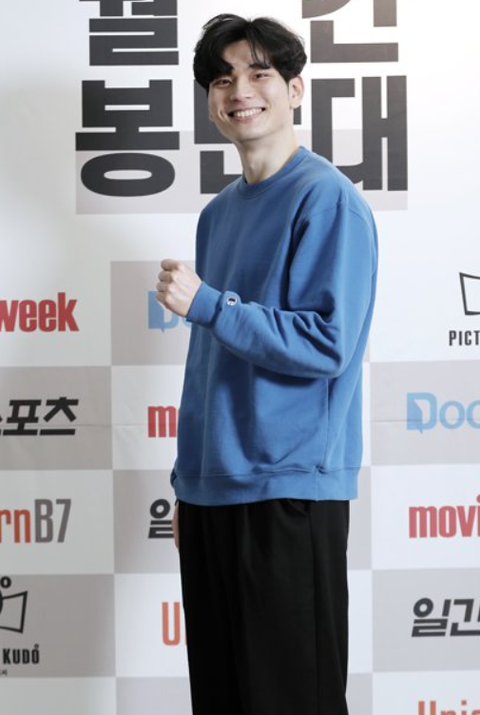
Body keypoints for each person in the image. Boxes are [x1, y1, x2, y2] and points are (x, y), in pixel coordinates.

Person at [156, 13, 377, 715]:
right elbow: (210, 364)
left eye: (259, 74)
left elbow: (328, 343)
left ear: (295, 89)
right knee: (223, 698)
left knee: (291, 699)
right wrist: (190, 481)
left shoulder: (326, 198)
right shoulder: (219, 213)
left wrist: (210, 304)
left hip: (288, 491)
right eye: (223, 79)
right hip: (212, 491)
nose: (240, 91)